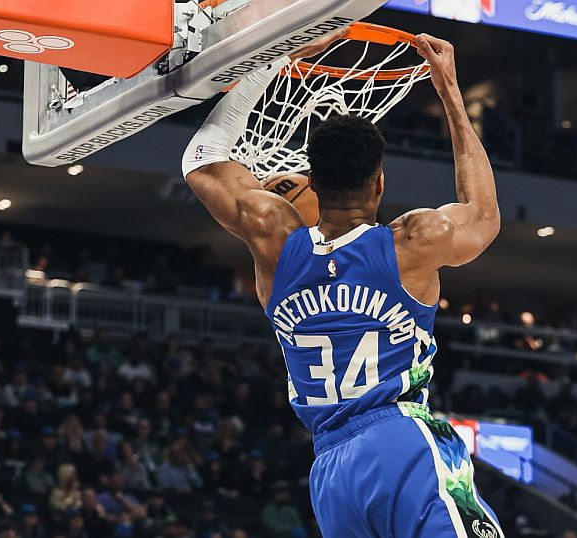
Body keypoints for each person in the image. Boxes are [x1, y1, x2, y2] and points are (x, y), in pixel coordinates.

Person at [182, 28, 503, 538]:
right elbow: (483, 216)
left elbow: (200, 160)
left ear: (311, 178)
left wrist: (271, 61)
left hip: (331, 470)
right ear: (379, 183)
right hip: (399, 443)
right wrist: (450, 93)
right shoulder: (412, 243)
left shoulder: (273, 237)